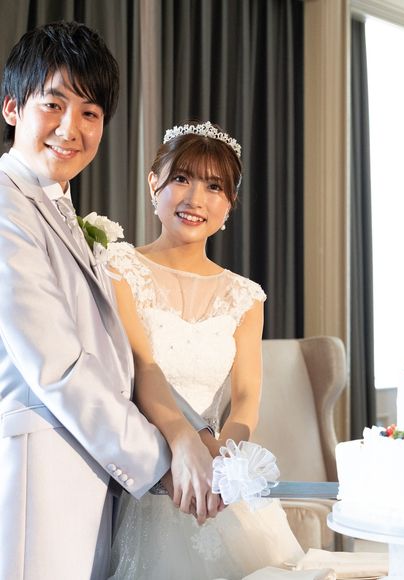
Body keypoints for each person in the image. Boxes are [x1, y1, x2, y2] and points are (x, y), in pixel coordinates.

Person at [0, 23, 216, 580]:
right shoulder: (5, 206)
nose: (70, 128)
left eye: (90, 112)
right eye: (54, 104)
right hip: (39, 479)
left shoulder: (58, 207)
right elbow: (58, 365)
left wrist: (194, 434)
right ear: (12, 108)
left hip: (89, 472)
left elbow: (117, 356)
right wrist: (163, 461)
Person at [107, 121, 304, 579]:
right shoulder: (118, 267)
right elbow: (142, 366)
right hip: (151, 473)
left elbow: (247, 397)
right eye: (182, 178)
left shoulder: (246, 296)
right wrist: (185, 442)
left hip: (218, 475)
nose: (196, 199)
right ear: (153, 183)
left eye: (214, 186)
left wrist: (223, 462)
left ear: (229, 203)